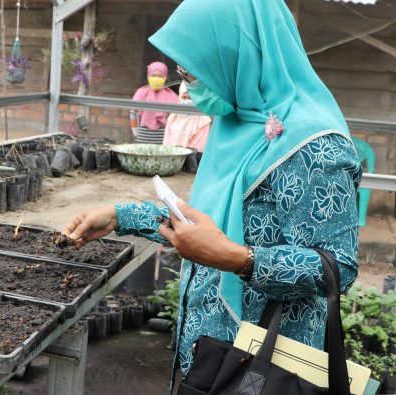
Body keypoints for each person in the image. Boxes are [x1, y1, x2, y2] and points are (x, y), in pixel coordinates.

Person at [64, 0, 361, 379]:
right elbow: (204, 222)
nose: (187, 85)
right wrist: (118, 217)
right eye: (181, 72)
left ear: (236, 55)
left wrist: (236, 258)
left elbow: (338, 267)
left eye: (193, 72)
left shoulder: (315, 145)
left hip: (260, 367)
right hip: (204, 352)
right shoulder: (234, 120)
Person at [130, 62, 179, 144]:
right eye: (153, 75)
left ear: (165, 77)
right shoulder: (141, 93)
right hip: (143, 138)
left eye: (160, 76)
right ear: (148, 76)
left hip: (163, 140)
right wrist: (136, 133)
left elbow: (175, 119)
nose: (156, 78)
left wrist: (171, 137)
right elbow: (132, 113)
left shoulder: (171, 96)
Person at [163, 82, 212, 153]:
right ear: (180, 97)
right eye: (184, 98)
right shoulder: (173, 117)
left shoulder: (203, 120)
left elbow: (198, 149)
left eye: (190, 98)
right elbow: (166, 144)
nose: (187, 101)